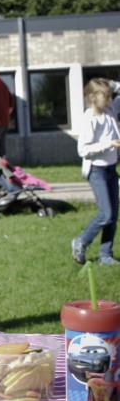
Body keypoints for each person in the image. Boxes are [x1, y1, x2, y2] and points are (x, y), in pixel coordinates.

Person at [71, 78, 120, 266]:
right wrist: (109, 144)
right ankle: (81, 241)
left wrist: (107, 84)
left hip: (111, 169)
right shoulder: (88, 119)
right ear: (92, 97)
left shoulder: (109, 111)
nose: (109, 99)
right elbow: (83, 150)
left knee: (113, 215)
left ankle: (105, 255)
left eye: (109, 95)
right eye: (105, 96)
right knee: (106, 213)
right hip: (96, 170)